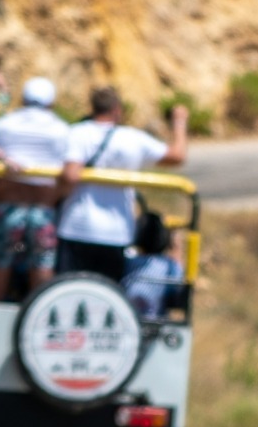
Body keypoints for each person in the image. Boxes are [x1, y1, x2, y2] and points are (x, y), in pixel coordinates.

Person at [57, 84, 190, 282]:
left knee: (68, 290)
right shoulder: (132, 138)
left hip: (76, 225)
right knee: (105, 295)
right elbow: (176, 156)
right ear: (117, 109)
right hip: (115, 231)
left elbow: (70, 174)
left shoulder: (77, 133)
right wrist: (179, 123)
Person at [0, 77, 76, 300]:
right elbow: (68, 173)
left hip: (8, 205)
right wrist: (57, 197)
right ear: (51, 102)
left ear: (23, 99)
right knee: (41, 267)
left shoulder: (6, 124)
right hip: (43, 208)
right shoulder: (61, 129)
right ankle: (39, 318)